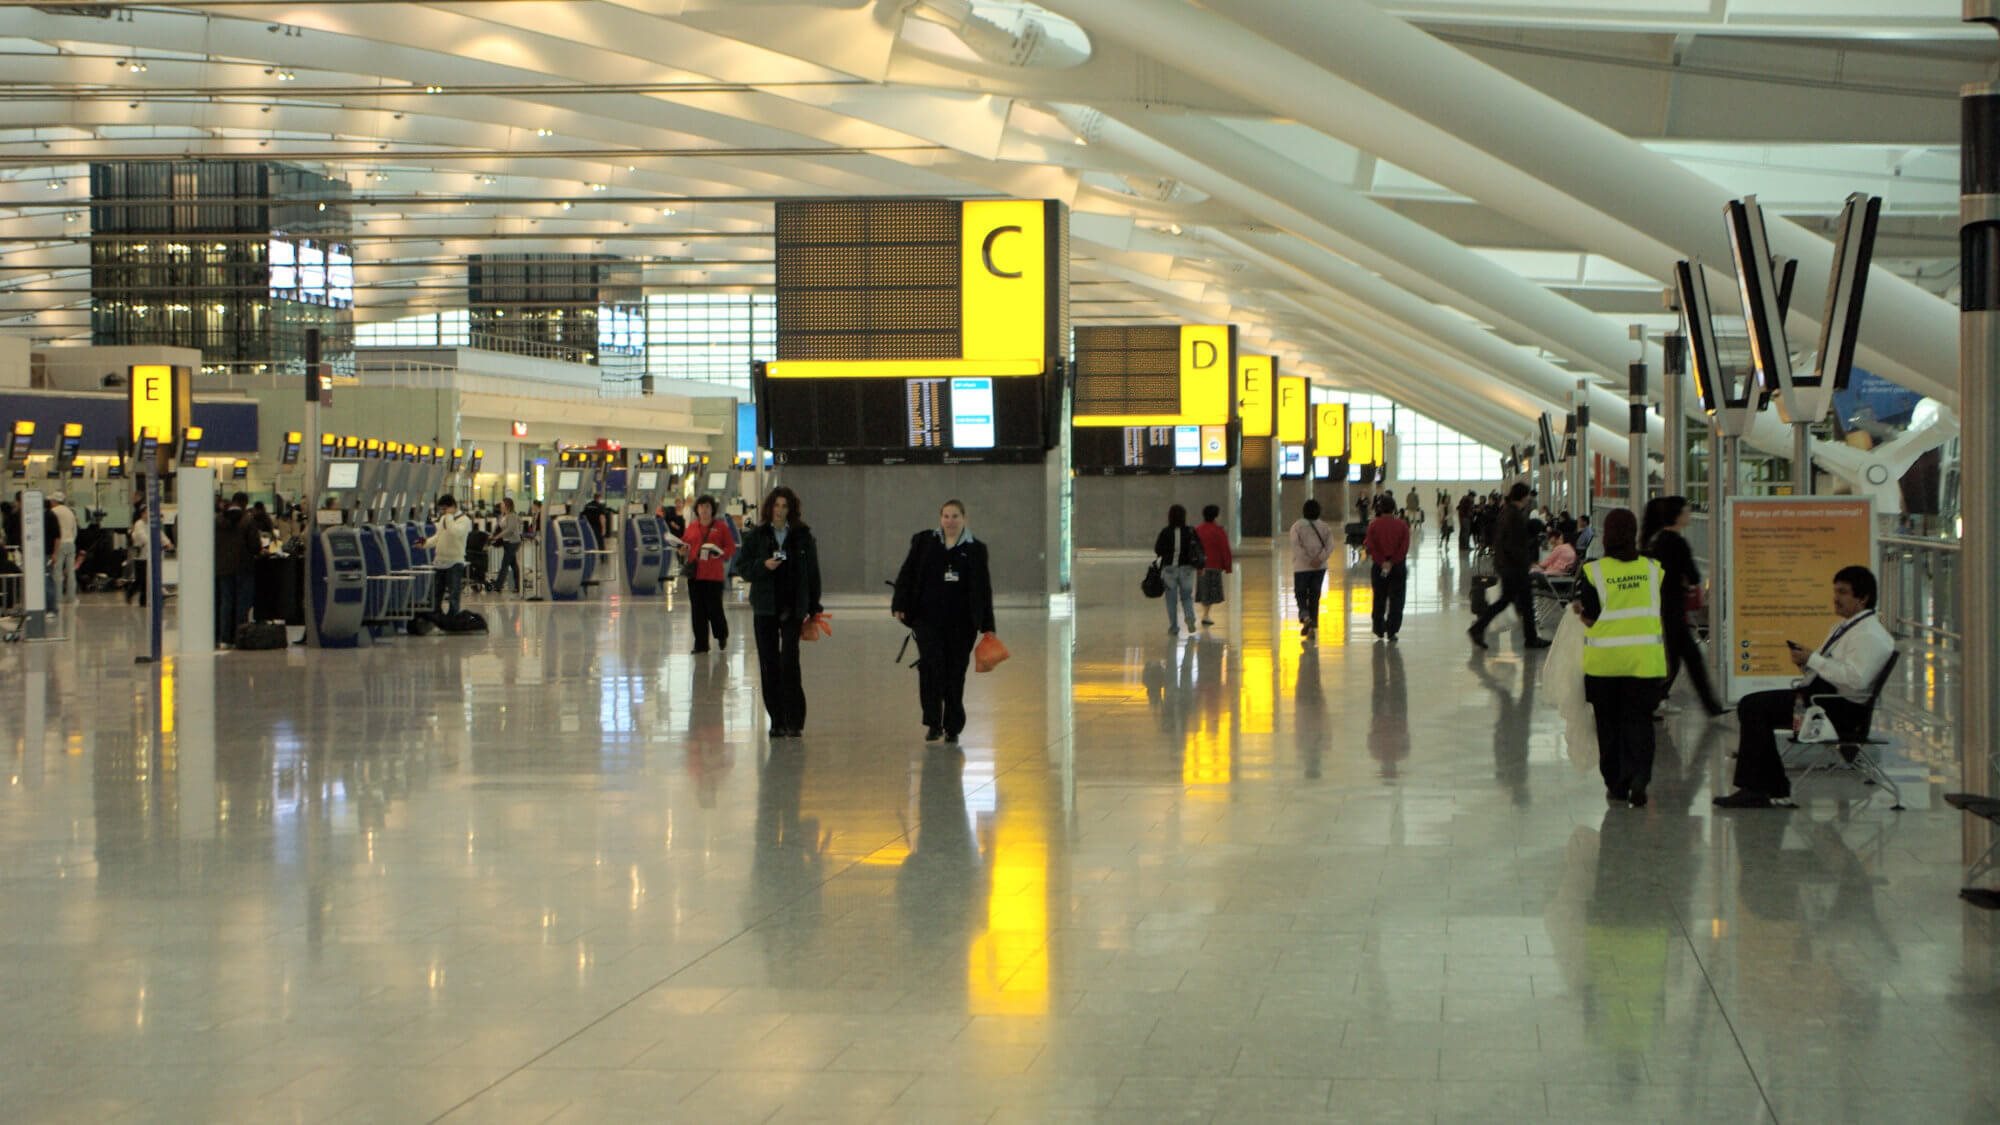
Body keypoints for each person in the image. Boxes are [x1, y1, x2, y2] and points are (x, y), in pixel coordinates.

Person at [1713, 566, 1894, 809]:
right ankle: (1765, 786)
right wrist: (1807, 662)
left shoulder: (1869, 635)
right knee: (1751, 704)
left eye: (1843, 592)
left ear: (1862, 598)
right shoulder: (1846, 627)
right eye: (1835, 591)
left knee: (1754, 707)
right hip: (1823, 699)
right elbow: (1830, 668)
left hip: (1840, 711)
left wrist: (1813, 660)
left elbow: (1856, 680)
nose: (1836, 598)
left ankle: (1762, 787)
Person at [1573, 509, 1669, 807]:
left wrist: (1579, 613)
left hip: (1606, 664)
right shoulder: (1654, 569)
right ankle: (1640, 776)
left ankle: (1617, 782)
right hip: (1645, 662)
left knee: (1609, 725)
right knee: (1640, 722)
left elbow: (1590, 618)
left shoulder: (1594, 572)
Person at [892, 499, 997, 744]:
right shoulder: (924, 542)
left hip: (962, 625)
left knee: (954, 673)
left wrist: (988, 626)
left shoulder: (975, 549)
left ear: (964, 519)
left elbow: (984, 588)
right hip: (927, 620)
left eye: (955, 516)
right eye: (946, 516)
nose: (950, 521)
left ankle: (952, 725)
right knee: (930, 668)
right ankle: (933, 722)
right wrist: (899, 604)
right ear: (940, 518)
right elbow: (906, 573)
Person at [732, 487, 822, 738]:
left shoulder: (802, 536)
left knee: (789, 661)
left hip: (792, 606)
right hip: (765, 607)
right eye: (776, 505)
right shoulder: (757, 536)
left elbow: (812, 572)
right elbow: (742, 567)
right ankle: (777, 719)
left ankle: (795, 719)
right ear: (769, 508)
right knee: (769, 663)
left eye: (785, 506)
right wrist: (763, 566)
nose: (780, 510)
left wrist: (814, 607)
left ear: (791, 509)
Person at [1640, 497, 1726, 717]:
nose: (1690, 515)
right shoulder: (1677, 543)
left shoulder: (1656, 541)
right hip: (1674, 609)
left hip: (1660, 607)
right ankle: (1652, 701)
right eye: (1687, 511)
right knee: (1686, 659)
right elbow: (1694, 575)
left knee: (1681, 658)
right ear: (1678, 516)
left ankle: (1708, 706)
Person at [1468, 482, 1549, 650]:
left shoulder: (1507, 512)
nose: (1528, 499)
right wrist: (1524, 563)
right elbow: (1515, 544)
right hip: (1515, 567)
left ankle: (1479, 628)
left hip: (1507, 565)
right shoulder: (1515, 516)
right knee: (1516, 601)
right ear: (1524, 496)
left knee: (1514, 601)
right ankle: (1529, 638)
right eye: (1527, 496)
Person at [681, 494, 737, 654]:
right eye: (701, 507)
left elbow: (731, 547)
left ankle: (721, 635)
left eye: (707, 507)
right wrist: (681, 548)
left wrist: (721, 553)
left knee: (714, 609)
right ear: (697, 509)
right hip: (695, 575)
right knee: (697, 611)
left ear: (712, 510)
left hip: (713, 576)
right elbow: (685, 544)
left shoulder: (721, 527)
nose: (704, 510)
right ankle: (701, 644)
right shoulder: (692, 527)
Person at [214, 492, 261, 647]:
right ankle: (240, 638)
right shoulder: (248, 520)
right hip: (244, 567)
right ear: (244, 503)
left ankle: (224, 639)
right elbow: (255, 546)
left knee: (225, 603)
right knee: (242, 604)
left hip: (223, 568)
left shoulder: (218, 520)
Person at [1362, 493, 1410, 641]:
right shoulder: (1402, 525)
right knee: (1397, 598)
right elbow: (1404, 547)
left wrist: (1382, 561)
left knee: (1379, 597)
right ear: (1394, 508)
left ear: (1380, 508)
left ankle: (1379, 628)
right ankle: (1392, 629)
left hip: (1379, 567)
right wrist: (1392, 561)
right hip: (1397, 567)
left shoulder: (1374, 525)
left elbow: (1369, 546)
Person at [1288, 498, 1336, 645]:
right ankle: (1312, 626)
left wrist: (1308, 560)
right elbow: (1330, 546)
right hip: (1319, 568)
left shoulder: (1296, 526)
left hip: (1302, 567)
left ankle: (1305, 616)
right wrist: (1319, 559)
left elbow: (1296, 546)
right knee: (1315, 595)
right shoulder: (1325, 527)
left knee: (1300, 593)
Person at [1153, 504, 1204, 636]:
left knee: (1171, 600)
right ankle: (1190, 618)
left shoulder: (1165, 532)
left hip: (1169, 569)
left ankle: (1174, 627)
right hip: (1187, 569)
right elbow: (1199, 549)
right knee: (1187, 597)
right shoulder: (1190, 531)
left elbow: (1157, 550)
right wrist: (1200, 566)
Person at [420, 494, 473, 618]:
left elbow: (454, 533)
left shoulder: (464, 520)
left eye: (444, 509)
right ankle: (435, 616)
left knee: (454, 594)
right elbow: (438, 537)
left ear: (453, 506)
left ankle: (453, 618)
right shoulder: (444, 519)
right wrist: (424, 543)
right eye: (441, 510)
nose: (443, 512)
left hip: (454, 562)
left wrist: (449, 517)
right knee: (436, 593)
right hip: (440, 561)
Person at [1192, 504, 1233, 628]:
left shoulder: (1198, 530)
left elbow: (1193, 547)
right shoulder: (1218, 531)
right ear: (1215, 516)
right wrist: (1227, 566)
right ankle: (1205, 615)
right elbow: (1224, 549)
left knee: (1204, 589)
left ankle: (1205, 614)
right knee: (1211, 590)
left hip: (1201, 565)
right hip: (1215, 565)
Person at [126, 502, 171, 607]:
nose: (148, 514)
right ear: (142, 514)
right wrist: (155, 543)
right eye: (146, 512)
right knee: (141, 580)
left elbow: (160, 534)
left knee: (148, 579)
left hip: (152, 556)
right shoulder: (139, 524)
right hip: (141, 556)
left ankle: (144, 601)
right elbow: (143, 537)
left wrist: (167, 542)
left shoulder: (152, 524)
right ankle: (131, 592)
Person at [49, 491, 77, 604]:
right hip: (70, 543)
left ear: (54, 501)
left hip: (59, 543)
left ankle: (58, 598)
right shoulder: (69, 511)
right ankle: (71, 597)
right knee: (71, 571)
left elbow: (53, 531)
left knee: (57, 571)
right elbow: (74, 530)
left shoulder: (53, 512)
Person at [495, 497, 523, 594]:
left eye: (502, 504)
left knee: (505, 563)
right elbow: (499, 527)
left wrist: (498, 536)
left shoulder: (512, 516)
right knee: (513, 564)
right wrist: (493, 535)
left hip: (513, 542)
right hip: (506, 542)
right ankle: (517, 586)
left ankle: (498, 585)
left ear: (507, 505)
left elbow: (510, 529)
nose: (501, 505)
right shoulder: (502, 516)